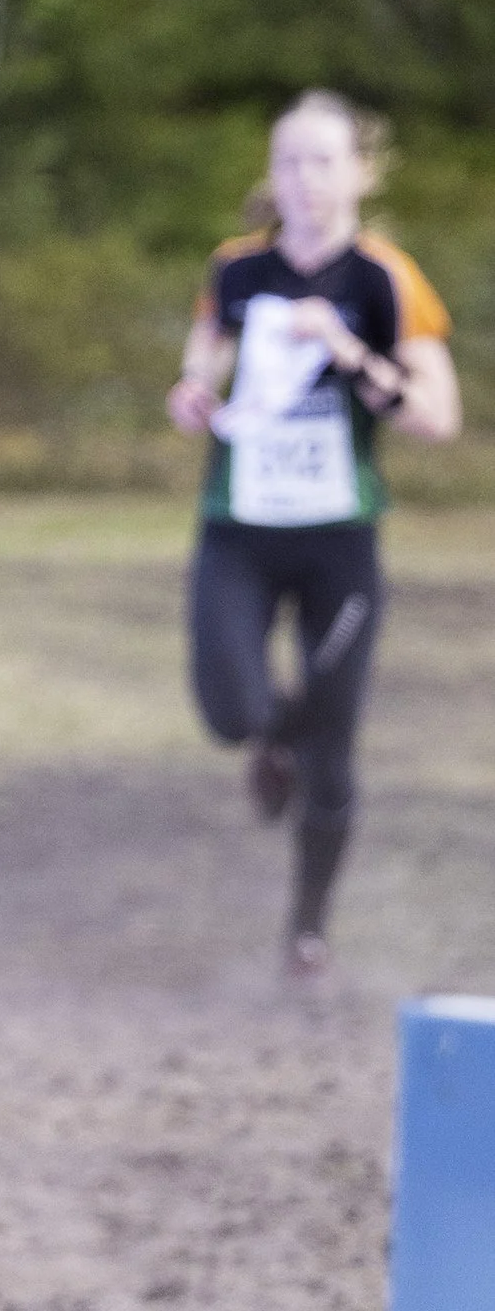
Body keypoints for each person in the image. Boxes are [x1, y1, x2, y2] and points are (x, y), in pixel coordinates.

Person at [166, 89, 460, 971]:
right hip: (240, 531)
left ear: (361, 173)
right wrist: (190, 394)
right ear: (273, 173)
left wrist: (347, 348)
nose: (306, 179)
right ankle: (267, 738)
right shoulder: (234, 270)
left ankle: (308, 924)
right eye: (291, 160)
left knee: (333, 745)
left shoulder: (384, 279)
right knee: (232, 712)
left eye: (325, 161)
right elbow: (203, 366)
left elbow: (437, 417)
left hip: (340, 543)